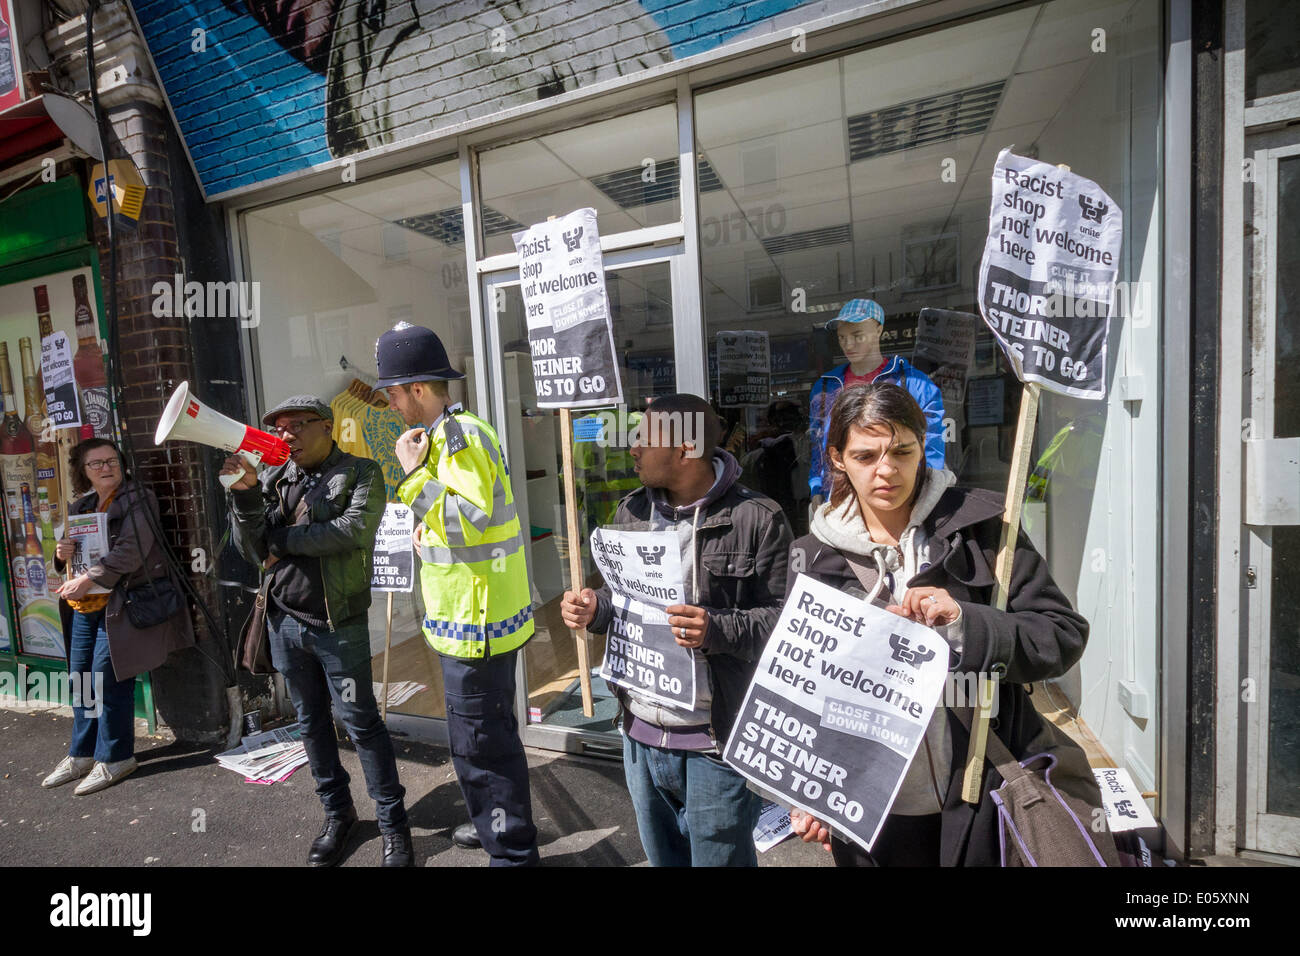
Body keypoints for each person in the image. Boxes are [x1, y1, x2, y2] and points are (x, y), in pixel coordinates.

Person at [787, 382, 1091, 866]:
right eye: (866, 457)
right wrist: (810, 790)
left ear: (922, 448)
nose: (886, 471)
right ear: (837, 459)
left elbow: (1061, 635)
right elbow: (798, 689)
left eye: (902, 452)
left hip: (983, 792)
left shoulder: (984, 529)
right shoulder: (810, 556)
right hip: (867, 810)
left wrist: (966, 624)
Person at [561, 393, 793, 866]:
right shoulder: (632, 512)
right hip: (639, 736)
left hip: (715, 742)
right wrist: (593, 610)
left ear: (686, 447)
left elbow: (786, 628)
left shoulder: (759, 518)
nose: (633, 449)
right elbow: (619, 604)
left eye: (644, 439)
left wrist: (715, 630)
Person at [226, 396, 413, 867]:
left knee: (362, 724)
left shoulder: (361, 472)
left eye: (296, 427)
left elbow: (353, 531)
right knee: (310, 724)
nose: (286, 436)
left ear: (327, 427)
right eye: (279, 429)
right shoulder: (273, 478)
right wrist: (245, 493)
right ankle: (338, 814)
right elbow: (249, 549)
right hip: (285, 621)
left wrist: (282, 541)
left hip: (338, 625)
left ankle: (394, 826)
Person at [378, 322, 540, 867]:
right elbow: (460, 523)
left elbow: (469, 518)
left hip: (477, 626)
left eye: (394, 393)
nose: (393, 405)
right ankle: (493, 824)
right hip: (474, 620)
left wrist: (411, 477)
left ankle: (511, 854)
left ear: (418, 389)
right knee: (487, 738)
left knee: (482, 749)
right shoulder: (450, 435)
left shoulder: (457, 436)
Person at [42, 439, 194, 795]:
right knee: (80, 679)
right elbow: (70, 554)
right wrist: (61, 555)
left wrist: (89, 578)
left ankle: (115, 758)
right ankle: (82, 753)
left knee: (108, 680)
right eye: (96, 464)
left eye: (111, 460)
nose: (106, 467)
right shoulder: (82, 505)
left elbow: (133, 550)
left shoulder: (139, 498)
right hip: (85, 607)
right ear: (83, 470)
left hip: (121, 604)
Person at [808, 299, 946, 506]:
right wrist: (817, 487)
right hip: (840, 499)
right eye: (842, 337)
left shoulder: (913, 383)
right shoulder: (826, 387)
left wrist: (922, 497)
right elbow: (818, 443)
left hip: (897, 497)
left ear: (878, 330)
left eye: (857, 335)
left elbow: (932, 445)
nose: (848, 345)